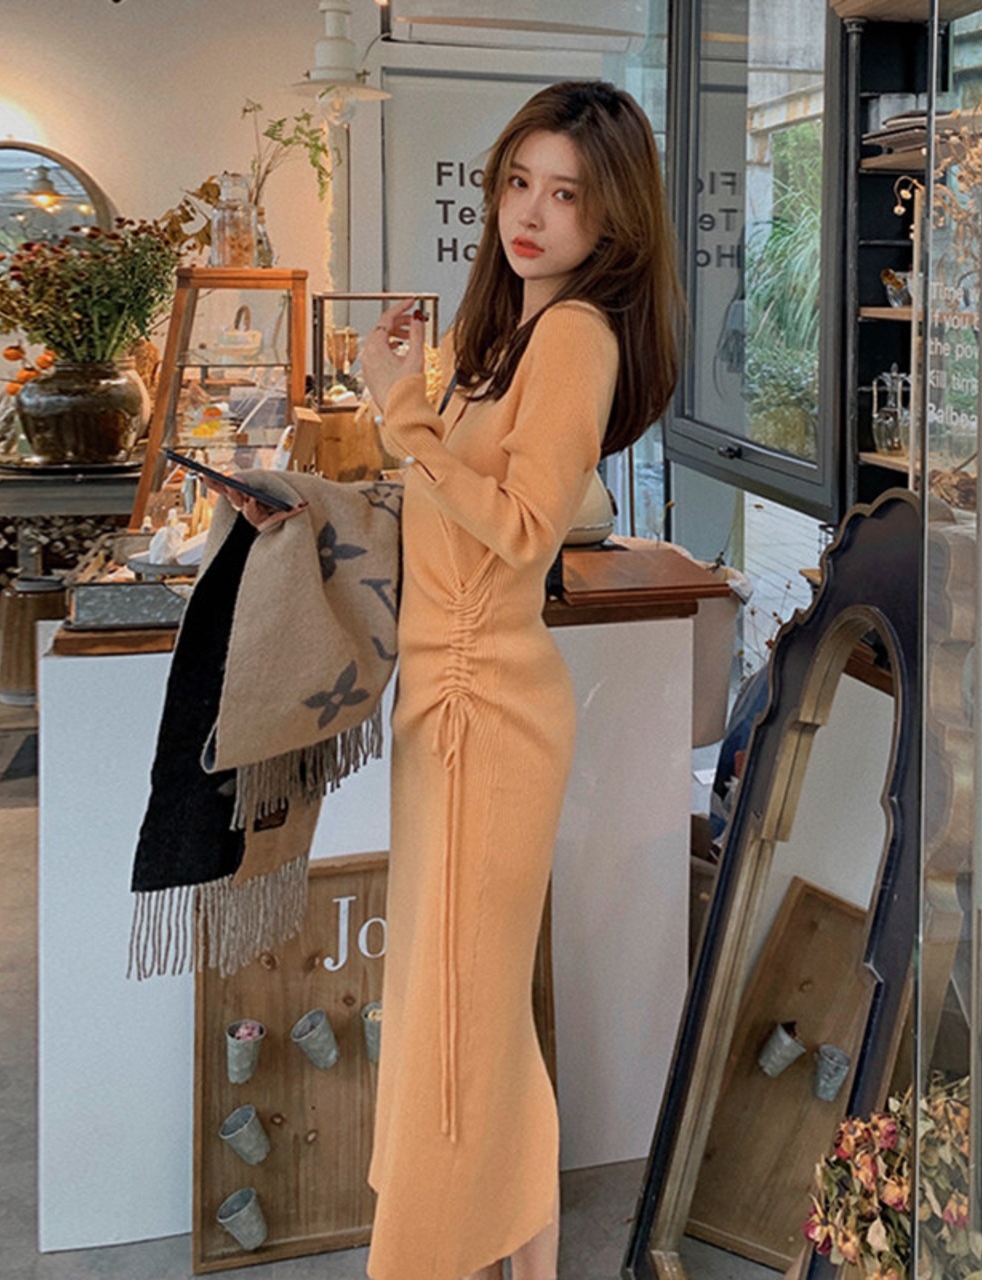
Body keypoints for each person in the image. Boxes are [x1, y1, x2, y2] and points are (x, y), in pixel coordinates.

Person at [357, 80, 681, 1280]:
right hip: (442, 701)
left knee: (454, 1011)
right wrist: (406, 410)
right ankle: (523, 1259)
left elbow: (526, 525)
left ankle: (433, 1255)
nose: (530, 215)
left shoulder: (576, 336)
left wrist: (401, 415)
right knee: (464, 1007)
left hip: (484, 708)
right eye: (518, 184)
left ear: (611, 220)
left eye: (565, 196)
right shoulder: (503, 338)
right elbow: (449, 507)